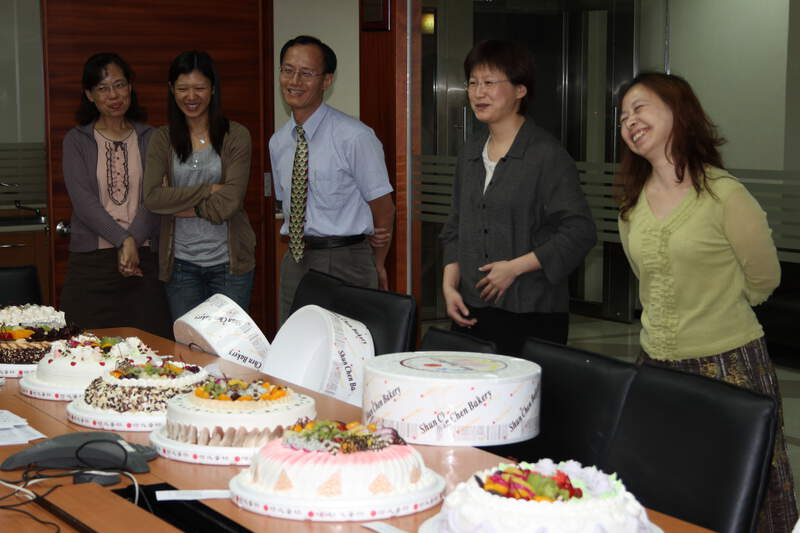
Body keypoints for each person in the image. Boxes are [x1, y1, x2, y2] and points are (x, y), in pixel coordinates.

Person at [616, 71, 798, 530]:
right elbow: (647, 276)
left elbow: (764, 277)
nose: (629, 121)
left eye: (639, 108)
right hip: (656, 367)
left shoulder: (724, 194)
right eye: (622, 117)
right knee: (664, 486)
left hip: (728, 366)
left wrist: (718, 307)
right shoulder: (631, 204)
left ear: (678, 111)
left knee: (740, 492)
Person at [440, 40, 596, 356]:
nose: (478, 93)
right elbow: (456, 225)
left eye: (489, 83)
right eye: (473, 83)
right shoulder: (470, 151)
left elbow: (580, 232)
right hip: (471, 309)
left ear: (520, 90)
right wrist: (449, 285)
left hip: (532, 311)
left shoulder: (546, 155)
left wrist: (514, 268)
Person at [270, 35, 395, 324]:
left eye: (306, 73)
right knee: (294, 342)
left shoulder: (355, 137)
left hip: (346, 260)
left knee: (348, 345)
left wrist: (376, 262)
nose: (294, 81)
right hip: (296, 260)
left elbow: (384, 208)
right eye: (288, 70)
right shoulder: (278, 142)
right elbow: (287, 205)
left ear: (326, 80)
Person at [60, 53, 172, 338]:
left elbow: (156, 196)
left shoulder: (152, 138)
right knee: (83, 348)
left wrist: (133, 241)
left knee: (152, 348)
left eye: (120, 85)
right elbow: (83, 202)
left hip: (144, 262)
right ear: (89, 95)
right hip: (92, 264)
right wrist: (124, 240)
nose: (114, 95)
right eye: (103, 88)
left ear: (130, 87)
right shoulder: (76, 141)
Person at [143, 51, 255, 321]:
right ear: (172, 89)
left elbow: (229, 203)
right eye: (183, 88)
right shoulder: (162, 139)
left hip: (230, 265)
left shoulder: (236, 135)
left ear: (213, 89)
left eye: (199, 88)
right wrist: (208, 190)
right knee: (188, 344)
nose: (191, 96)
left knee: (229, 343)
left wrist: (180, 206)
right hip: (181, 266)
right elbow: (153, 198)